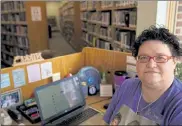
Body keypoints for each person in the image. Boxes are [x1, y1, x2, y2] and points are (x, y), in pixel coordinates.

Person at [103, 26, 182, 125]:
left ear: (174, 61)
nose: (151, 64)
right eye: (144, 57)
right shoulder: (126, 86)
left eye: (160, 57)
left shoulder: (178, 106)